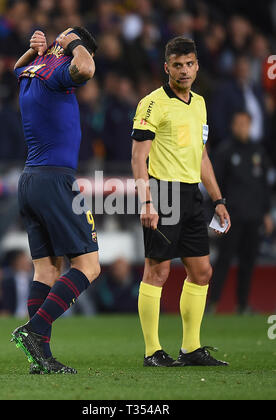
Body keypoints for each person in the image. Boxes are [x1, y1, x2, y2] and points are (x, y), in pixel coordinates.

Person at [131, 36, 231, 367]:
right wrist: (147, 202)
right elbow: (138, 157)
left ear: (197, 66)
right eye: (177, 65)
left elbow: (201, 156)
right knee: (157, 271)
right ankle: (152, 351)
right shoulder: (151, 103)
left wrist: (217, 198)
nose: (184, 70)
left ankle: (191, 348)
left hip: (192, 195)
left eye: (189, 64)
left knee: (202, 271)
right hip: (163, 193)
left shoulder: (200, 103)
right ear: (166, 67)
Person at [11, 27, 101, 375]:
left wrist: (34, 51)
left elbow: (17, 69)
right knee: (89, 267)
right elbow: (87, 69)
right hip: (56, 180)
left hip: (29, 180)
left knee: (46, 270)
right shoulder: (57, 72)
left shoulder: (32, 72)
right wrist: (72, 43)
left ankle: (40, 358)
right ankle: (35, 332)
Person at [208, 111, 274, 314]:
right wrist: (216, 209)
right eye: (238, 123)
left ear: (251, 125)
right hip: (230, 216)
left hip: (253, 216)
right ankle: (212, 304)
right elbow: (215, 182)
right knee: (223, 260)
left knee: (248, 260)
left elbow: (264, 185)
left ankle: (242, 304)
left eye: (246, 123)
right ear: (232, 126)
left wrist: (266, 213)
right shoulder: (225, 152)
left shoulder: (258, 152)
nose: (242, 127)